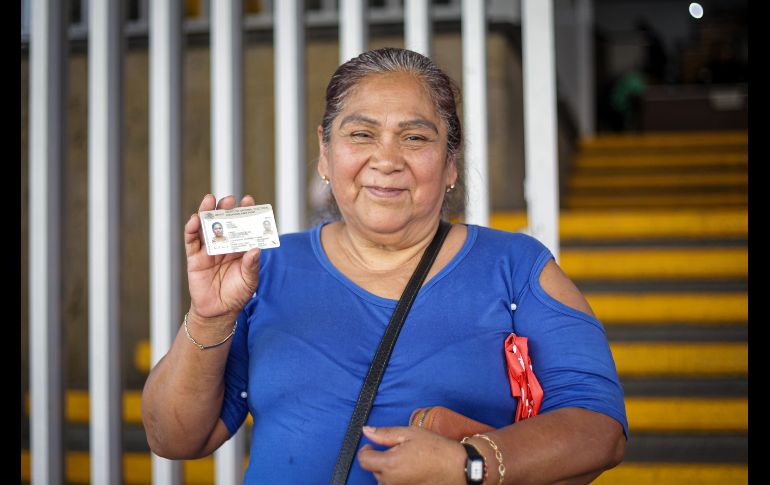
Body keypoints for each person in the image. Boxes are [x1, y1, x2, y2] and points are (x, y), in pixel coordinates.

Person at [142, 47, 627, 484]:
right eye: (361, 133)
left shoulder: (516, 268)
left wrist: (470, 464)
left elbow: (599, 430)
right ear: (325, 153)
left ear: (451, 163)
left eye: (415, 138)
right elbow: (175, 438)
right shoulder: (263, 269)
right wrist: (210, 315)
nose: (387, 159)